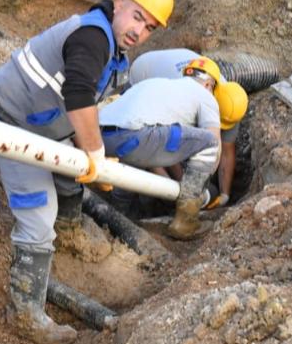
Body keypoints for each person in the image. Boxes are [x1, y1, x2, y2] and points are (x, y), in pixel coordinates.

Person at [0, 0, 173, 344]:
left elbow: (90, 107)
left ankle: (67, 233)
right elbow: (79, 95)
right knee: (39, 212)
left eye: (149, 27)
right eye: (137, 17)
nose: (139, 31)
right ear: (119, 2)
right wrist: (95, 156)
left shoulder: (114, 51)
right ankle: (25, 314)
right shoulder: (92, 37)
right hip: (8, 123)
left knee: (71, 176)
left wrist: (90, 155)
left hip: (43, 128)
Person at [101, 57, 246, 237]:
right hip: (134, 137)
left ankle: (119, 215)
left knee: (137, 154)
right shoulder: (205, 97)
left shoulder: (163, 86)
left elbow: (158, 150)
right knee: (209, 142)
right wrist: (195, 191)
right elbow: (214, 146)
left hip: (99, 135)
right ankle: (185, 222)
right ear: (209, 85)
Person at [127, 48, 248, 208]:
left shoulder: (230, 102)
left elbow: (226, 152)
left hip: (182, 62)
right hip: (144, 71)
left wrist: (224, 195)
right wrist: (177, 189)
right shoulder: (179, 102)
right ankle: (131, 203)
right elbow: (156, 147)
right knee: (136, 148)